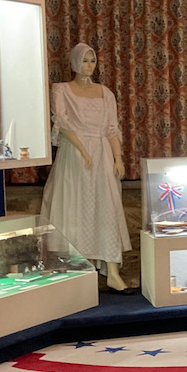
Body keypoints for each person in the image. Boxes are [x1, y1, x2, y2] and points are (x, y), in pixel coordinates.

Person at [40, 43, 134, 291]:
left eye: (92, 61)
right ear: (74, 62)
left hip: (101, 154)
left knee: (107, 207)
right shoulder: (61, 90)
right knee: (75, 207)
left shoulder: (105, 93)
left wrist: (118, 157)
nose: (89, 66)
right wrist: (81, 149)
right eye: (84, 61)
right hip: (75, 155)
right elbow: (61, 121)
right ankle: (80, 269)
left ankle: (112, 271)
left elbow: (111, 128)